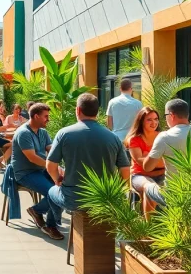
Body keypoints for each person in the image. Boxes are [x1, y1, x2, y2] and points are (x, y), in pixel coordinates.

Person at [46, 93, 130, 240]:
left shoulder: (64, 133)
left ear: (78, 110)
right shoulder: (113, 137)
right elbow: (125, 170)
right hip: (105, 199)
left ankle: (52, 226)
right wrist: (116, 193)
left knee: (52, 191)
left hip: (74, 199)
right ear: (97, 112)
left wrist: (57, 180)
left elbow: (50, 165)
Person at [143, 99, 191, 209]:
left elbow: (147, 167)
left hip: (174, 197)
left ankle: (148, 220)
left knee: (148, 187)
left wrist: (152, 152)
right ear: (187, 115)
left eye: (165, 115)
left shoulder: (164, 137)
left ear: (171, 115)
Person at [11, 103, 63, 239]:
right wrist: (53, 167)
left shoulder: (42, 132)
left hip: (41, 170)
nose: (48, 119)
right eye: (46, 116)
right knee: (54, 192)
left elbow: (51, 150)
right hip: (26, 173)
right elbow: (32, 158)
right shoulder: (23, 133)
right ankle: (50, 225)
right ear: (36, 116)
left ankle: (36, 210)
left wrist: (62, 161)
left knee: (64, 186)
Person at [125, 107, 164, 218]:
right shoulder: (134, 139)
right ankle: (148, 225)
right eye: (149, 120)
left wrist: (147, 156)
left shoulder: (162, 136)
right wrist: (159, 160)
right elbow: (141, 163)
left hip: (162, 174)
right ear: (141, 121)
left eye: (156, 119)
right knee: (150, 187)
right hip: (139, 176)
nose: (154, 123)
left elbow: (169, 160)